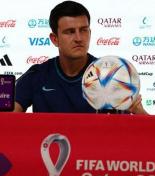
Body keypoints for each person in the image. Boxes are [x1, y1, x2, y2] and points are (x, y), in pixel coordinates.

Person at [14, 0, 146, 114]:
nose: (78, 38)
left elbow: (152, 132)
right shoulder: (37, 75)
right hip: (53, 143)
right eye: (70, 32)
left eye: (83, 30)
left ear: (90, 32)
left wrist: (137, 110)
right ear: (55, 39)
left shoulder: (113, 74)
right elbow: (6, 119)